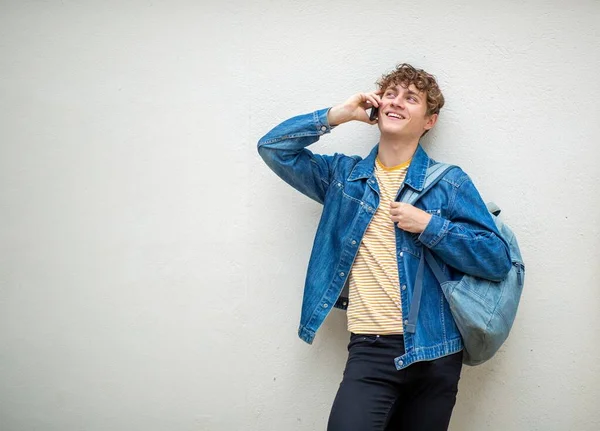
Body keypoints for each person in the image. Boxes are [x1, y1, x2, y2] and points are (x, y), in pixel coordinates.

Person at [257, 63, 511, 431]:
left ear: (429, 121)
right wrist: (337, 116)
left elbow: (496, 258)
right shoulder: (343, 178)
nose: (397, 102)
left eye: (411, 98)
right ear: (377, 107)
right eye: (390, 94)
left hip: (436, 351)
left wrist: (430, 226)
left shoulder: (449, 183)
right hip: (370, 349)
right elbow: (273, 148)